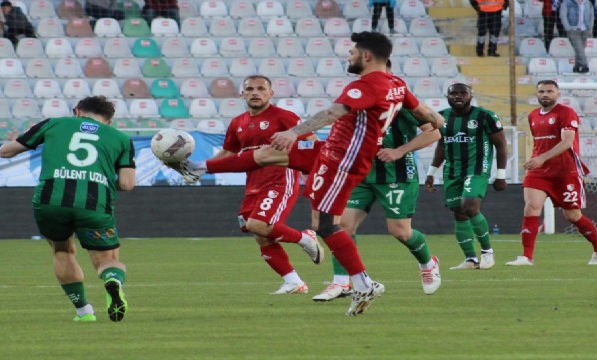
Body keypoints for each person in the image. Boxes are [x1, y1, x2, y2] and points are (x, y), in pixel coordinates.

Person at [173, 31, 445, 316]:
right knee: (268, 155)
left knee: (326, 225)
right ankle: (198, 167)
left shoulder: (367, 85)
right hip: (332, 151)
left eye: (352, 52)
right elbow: (428, 114)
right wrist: (441, 123)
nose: (349, 56)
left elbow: (333, 112)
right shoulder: (397, 85)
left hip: (342, 160)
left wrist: (293, 132)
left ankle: (363, 283)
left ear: (366, 56)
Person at [175, 75, 326, 295]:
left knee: (258, 224)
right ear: (242, 94)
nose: (255, 92)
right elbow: (229, 153)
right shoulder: (238, 122)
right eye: (250, 89)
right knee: (260, 234)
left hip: (280, 179)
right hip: (253, 182)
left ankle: (305, 238)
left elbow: (312, 144)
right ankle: (293, 282)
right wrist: (198, 170)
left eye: (261, 88)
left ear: (270, 93)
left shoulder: (284, 117)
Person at [0, 96, 136, 322]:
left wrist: (17, 140)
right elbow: (127, 184)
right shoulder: (121, 138)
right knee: (107, 260)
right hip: (94, 203)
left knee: (62, 251)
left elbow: (5, 152)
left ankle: (83, 312)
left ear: (77, 111)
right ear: (109, 121)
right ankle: (112, 280)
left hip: (50, 200)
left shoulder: (54, 123)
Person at [312, 107, 442, 302]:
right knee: (341, 225)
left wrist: (400, 151)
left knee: (400, 232)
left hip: (397, 175)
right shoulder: (355, 106)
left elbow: (434, 132)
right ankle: (341, 282)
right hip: (360, 176)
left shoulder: (403, 106)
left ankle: (428, 263)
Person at [506, 80, 597, 266]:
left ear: (557, 94)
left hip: (565, 171)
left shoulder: (566, 112)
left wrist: (541, 158)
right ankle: (526, 257)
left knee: (572, 216)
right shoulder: (533, 115)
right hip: (539, 171)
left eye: (549, 91)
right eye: (541, 91)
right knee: (531, 207)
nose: (545, 94)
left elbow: (567, 142)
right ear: (537, 94)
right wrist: (536, 160)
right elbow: (540, 143)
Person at [425, 83, 508, 270]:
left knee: (470, 207)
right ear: (447, 96)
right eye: (454, 93)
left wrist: (501, 174)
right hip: (452, 171)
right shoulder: (441, 117)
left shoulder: (485, 116)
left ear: (471, 95)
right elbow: (441, 146)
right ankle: (470, 259)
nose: (458, 96)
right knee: (458, 212)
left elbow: (501, 144)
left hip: (477, 169)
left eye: (463, 93)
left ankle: (487, 252)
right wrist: (431, 172)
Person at [559, 0, 594, 73]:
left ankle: (577, 66)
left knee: (580, 50)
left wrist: (590, 28)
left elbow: (591, 16)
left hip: (585, 30)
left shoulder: (588, 3)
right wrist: (568, 28)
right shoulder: (566, 3)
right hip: (573, 30)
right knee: (579, 49)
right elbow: (563, 15)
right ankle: (585, 66)